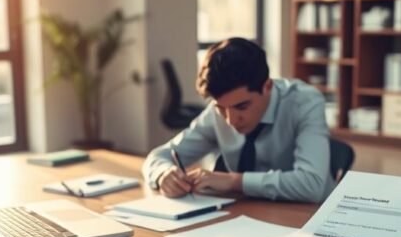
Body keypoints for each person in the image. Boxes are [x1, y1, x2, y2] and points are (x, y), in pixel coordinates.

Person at [142, 37, 333, 203]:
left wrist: (234, 181)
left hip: (309, 219)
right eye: (221, 108)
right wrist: (163, 174)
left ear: (267, 86)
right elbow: (159, 156)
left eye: (242, 107)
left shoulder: (305, 103)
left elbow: (311, 184)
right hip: (247, 215)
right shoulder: (219, 109)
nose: (231, 120)